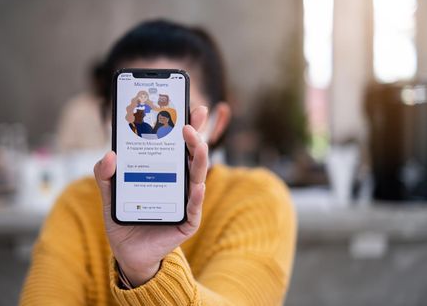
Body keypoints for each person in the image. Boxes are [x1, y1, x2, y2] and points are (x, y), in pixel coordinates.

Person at [20, 19, 296, 305]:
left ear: (218, 121)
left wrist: (148, 272)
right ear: (106, 119)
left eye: (179, 113)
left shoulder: (255, 197)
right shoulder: (77, 204)